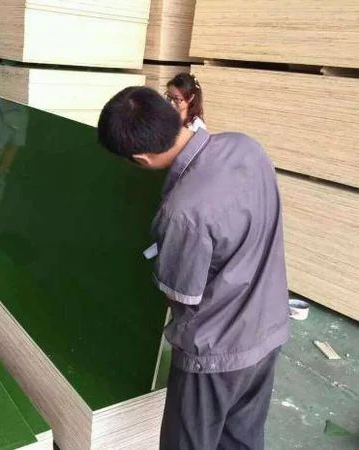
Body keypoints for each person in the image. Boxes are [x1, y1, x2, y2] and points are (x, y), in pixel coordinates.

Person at [97, 86, 289, 450]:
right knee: (242, 440)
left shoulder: (182, 213)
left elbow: (181, 294)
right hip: (268, 331)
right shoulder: (246, 146)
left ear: (141, 158)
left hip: (216, 354)